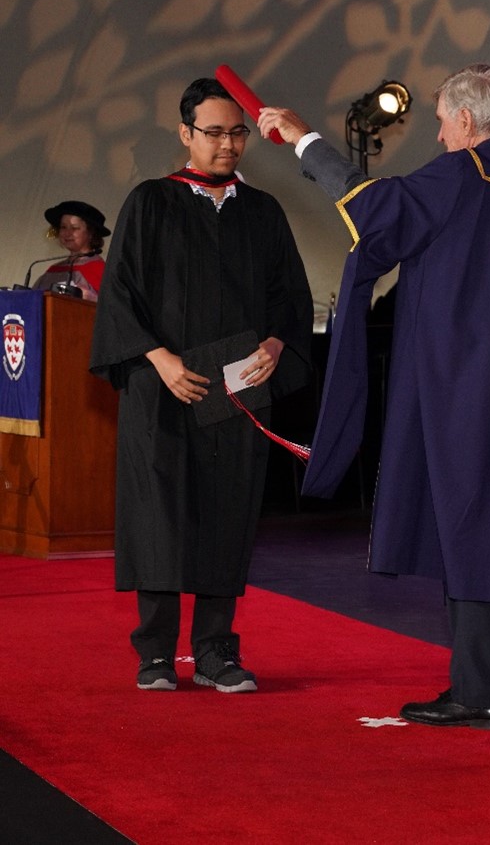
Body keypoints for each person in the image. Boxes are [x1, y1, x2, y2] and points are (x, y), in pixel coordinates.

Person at [257, 63, 490, 729]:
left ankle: (476, 689)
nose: (438, 137)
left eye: (440, 122)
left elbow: (376, 208)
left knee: (471, 525)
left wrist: (302, 141)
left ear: (466, 120)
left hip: (474, 389)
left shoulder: (469, 173)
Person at [90, 77, 313, 692]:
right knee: (157, 514)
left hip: (234, 388)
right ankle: (156, 653)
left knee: (227, 512)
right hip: (162, 384)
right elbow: (120, 296)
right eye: (214, 133)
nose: (228, 145)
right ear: (186, 133)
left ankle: (216, 651)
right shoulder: (151, 201)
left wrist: (273, 345)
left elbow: (289, 297)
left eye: (238, 133)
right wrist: (158, 358)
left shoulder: (262, 210)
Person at [33, 200, 109, 301]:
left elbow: (114, 309)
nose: (67, 233)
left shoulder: (101, 271)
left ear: (91, 233)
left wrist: (93, 298)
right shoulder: (53, 270)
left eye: (75, 228)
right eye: (63, 227)